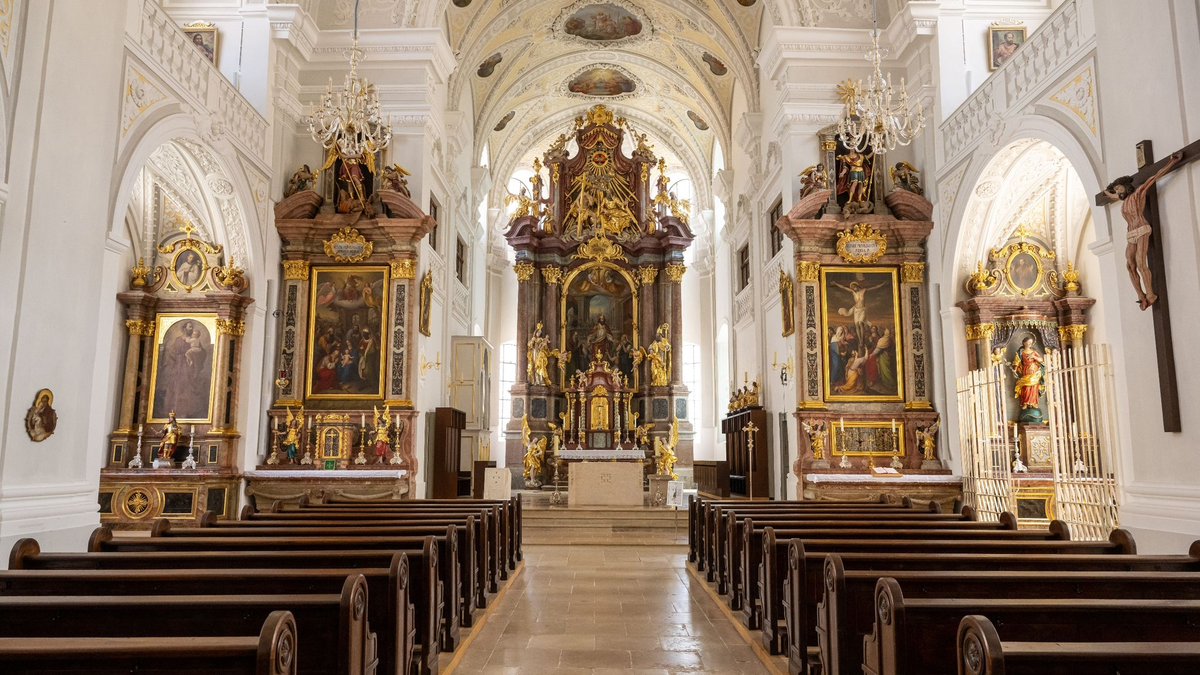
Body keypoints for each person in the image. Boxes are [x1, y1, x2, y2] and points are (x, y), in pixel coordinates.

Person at [1103, 151, 1184, 310]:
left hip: (1141, 229)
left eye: (1119, 188)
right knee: (1130, 266)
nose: (1118, 192)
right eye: (1116, 191)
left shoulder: (1138, 193)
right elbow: (1111, 196)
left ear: (1125, 186)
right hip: (1130, 234)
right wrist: (1107, 191)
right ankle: (1140, 295)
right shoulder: (1124, 201)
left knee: (1141, 263)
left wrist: (1171, 162)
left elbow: (1154, 177)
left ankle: (1151, 294)